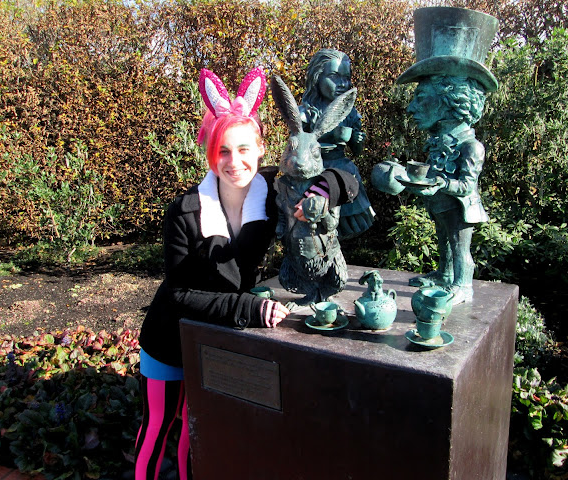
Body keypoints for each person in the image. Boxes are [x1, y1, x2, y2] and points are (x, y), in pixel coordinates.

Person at [134, 67, 358, 480]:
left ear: (260, 149)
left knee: (194, 433)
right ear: (210, 152)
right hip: (170, 339)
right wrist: (250, 310)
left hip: (217, 338)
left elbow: (346, 177)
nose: (234, 162)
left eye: (243, 149)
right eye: (223, 151)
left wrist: (324, 188)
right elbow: (179, 294)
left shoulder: (272, 192)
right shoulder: (185, 211)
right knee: (158, 430)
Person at [404, 75, 490, 304]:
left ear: (449, 103)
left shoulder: (472, 147)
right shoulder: (437, 143)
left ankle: (463, 286)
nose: (411, 108)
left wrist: (443, 183)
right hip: (440, 205)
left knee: (460, 247)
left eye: (421, 98)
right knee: (444, 241)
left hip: (460, 208)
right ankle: (444, 275)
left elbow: (467, 186)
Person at [299, 48, 375, 240]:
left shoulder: (349, 112)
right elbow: (297, 145)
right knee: (312, 226)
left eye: (346, 78)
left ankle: (337, 251)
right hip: (314, 171)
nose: (342, 83)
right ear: (317, 77)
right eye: (334, 76)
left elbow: (357, 151)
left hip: (343, 172)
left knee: (340, 226)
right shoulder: (306, 112)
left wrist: (356, 140)